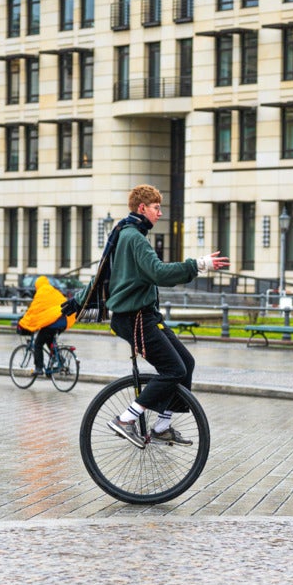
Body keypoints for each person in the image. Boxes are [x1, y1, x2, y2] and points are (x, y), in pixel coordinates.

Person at [99, 184, 227, 443]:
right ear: (142, 208)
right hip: (135, 318)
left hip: (145, 316)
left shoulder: (125, 233)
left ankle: (161, 426)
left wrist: (75, 304)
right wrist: (199, 264)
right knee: (173, 369)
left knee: (186, 364)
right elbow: (159, 273)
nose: (160, 213)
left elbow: (103, 275)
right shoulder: (133, 237)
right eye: (157, 208)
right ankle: (126, 418)